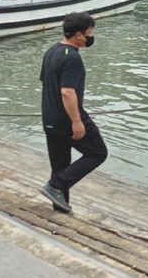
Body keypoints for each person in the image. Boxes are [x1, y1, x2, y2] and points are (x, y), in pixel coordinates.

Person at [39, 12, 107, 213]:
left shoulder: (51, 51)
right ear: (79, 35)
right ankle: (55, 185)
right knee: (98, 153)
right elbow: (67, 91)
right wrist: (76, 121)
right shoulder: (72, 58)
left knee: (60, 164)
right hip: (67, 119)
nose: (91, 37)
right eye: (89, 32)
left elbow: (45, 83)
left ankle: (60, 207)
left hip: (49, 118)